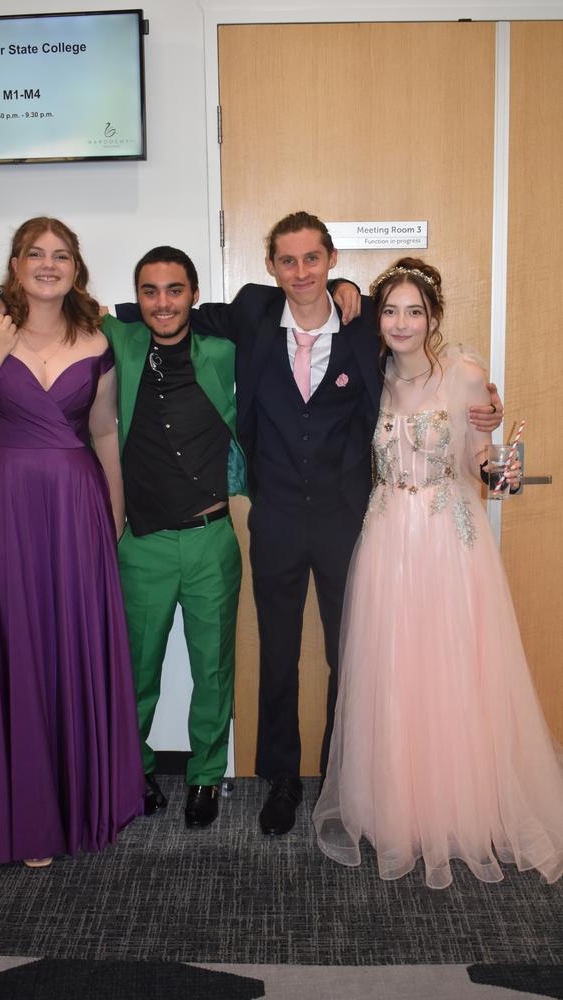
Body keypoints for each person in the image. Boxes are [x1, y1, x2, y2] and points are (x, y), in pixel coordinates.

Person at [122, 214, 501, 837]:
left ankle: (341, 777)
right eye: (288, 261)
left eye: (313, 260)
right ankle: (281, 780)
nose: (301, 273)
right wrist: (6, 301)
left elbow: (425, 348)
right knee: (277, 656)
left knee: (350, 655)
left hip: (349, 522)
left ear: (330, 261)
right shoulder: (250, 312)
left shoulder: (366, 325)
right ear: (271, 267)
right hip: (273, 519)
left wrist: (481, 413)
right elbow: (162, 313)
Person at [313, 258, 563, 888]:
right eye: (390, 310)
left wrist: (505, 457)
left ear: (433, 318)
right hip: (386, 540)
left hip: (450, 545)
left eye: (414, 311)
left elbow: (488, 468)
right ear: (379, 318)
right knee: (393, 674)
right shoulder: (369, 379)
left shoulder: (466, 375)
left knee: (455, 673)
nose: (401, 322)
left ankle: (460, 807)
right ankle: (399, 808)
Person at [0, 217, 144, 866]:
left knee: (68, 648)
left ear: (77, 268)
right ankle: (17, 815)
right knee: (10, 647)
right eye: (35, 254)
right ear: (15, 263)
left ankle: (78, 799)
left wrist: (114, 514)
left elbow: (104, 432)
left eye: (61, 255)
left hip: (75, 510)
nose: (48, 265)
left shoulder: (98, 338)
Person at [102, 247, 245, 829]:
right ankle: (130, 770)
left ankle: (206, 778)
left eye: (174, 289)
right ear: (137, 298)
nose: (163, 302)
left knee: (212, 669)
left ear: (194, 293)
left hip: (212, 538)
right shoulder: (122, 342)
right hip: (143, 543)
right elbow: (56, 303)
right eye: (150, 291)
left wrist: (339, 285)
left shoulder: (225, 351)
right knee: (136, 669)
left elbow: (292, 309)